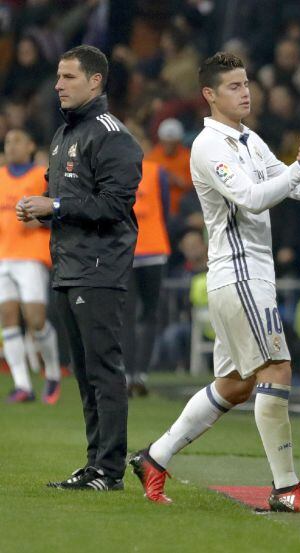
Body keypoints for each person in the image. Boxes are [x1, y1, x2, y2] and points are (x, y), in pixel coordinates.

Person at [129, 52, 300, 511]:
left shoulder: (249, 140)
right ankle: (287, 489)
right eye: (234, 86)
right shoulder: (208, 145)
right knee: (277, 370)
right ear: (209, 95)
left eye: (246, 83)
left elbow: (298, 186)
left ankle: (155, 456)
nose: (246, 91)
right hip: (241, 275)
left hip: (243, 277)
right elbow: (254, 199)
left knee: (235, 383)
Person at [17, 45, 143, 491]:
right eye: (57, 76)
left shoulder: (114, 136)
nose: (57, 85)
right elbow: (70, 202)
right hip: (69, 267)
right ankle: (94, 464)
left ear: (95, 81)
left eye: (68, 77)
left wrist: (52, 205)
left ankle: (110, 471)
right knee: (85, 373)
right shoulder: (62, 135)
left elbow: (113, 205)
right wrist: (46, 210)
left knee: (104, 370)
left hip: (100, 267)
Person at [1, 128, 61, 404]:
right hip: (3, 256)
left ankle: (51, 371)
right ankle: (22, 385)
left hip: (31, 256)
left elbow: (57, 209)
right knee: (8, 318)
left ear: (30, 146)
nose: (11, 145)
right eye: (8, 141)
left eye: (17, 141)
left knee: (36, 320)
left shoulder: (41, 176)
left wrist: (44, 220)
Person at [122, 143, 172, 397]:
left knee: (134, 315)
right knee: (144, 315)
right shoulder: (156, 172)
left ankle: (133, 374)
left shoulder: (117, 170)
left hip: (131, 251)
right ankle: (137, 374)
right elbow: (165, 209)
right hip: (145, 251)